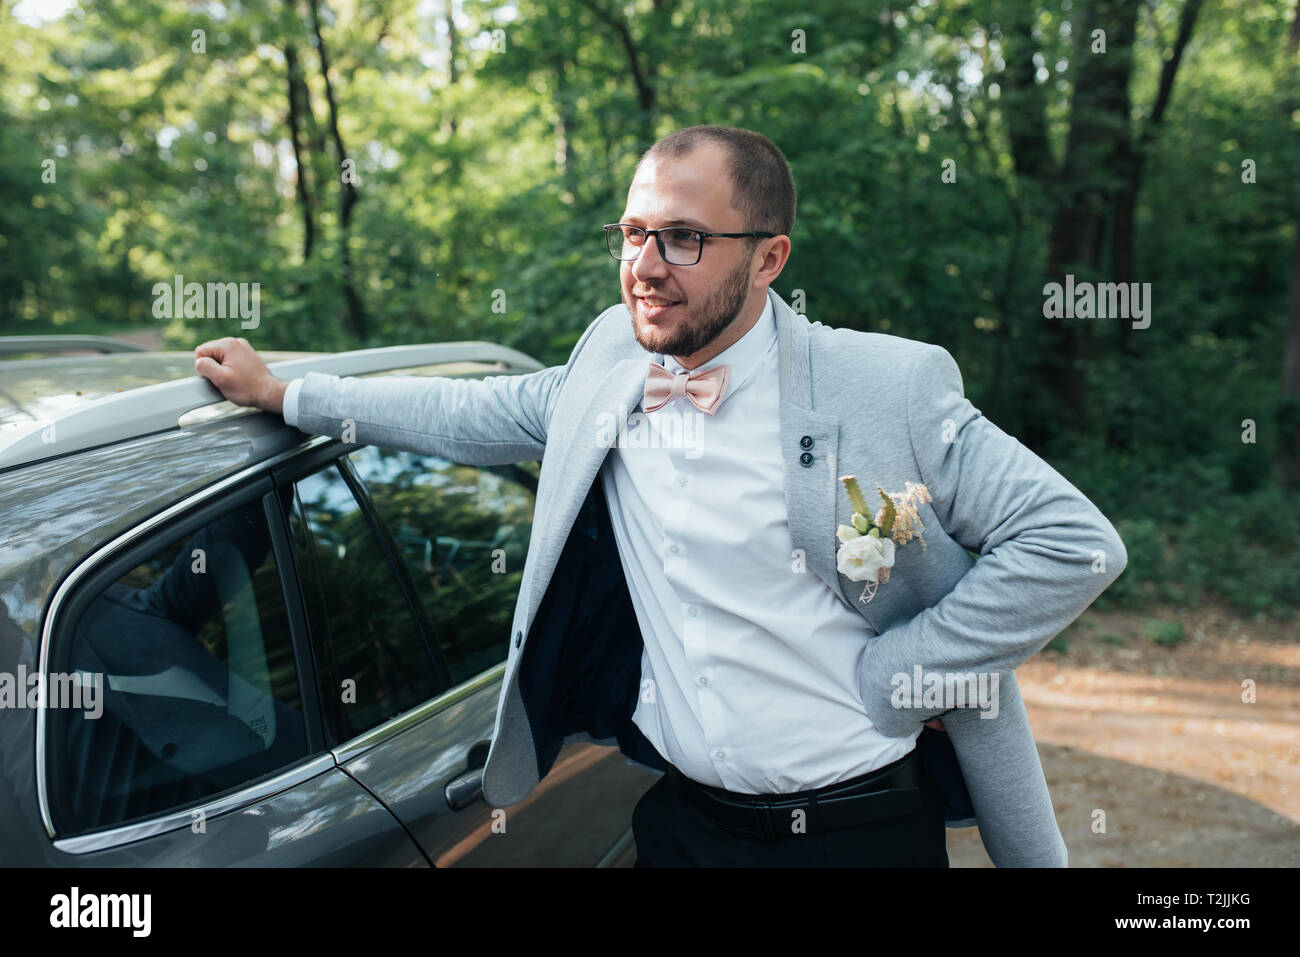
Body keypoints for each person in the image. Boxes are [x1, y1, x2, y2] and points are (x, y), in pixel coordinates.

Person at [195, 125, 1127, 867]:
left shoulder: (886, 387)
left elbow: (1072, 542)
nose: (646, 264)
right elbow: (472, 411)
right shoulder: (611, 358)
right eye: (634, 233)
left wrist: (906, 669)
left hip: (857, 831)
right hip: (684, 825)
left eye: (685, 238)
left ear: (769, 259)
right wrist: (289, 394)